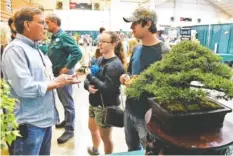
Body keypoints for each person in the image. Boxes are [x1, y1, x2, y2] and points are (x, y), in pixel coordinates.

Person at [1, 7, 79, 155]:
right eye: (42, 22)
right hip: (29, 125)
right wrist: (56, 83)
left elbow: (42, 80)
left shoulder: (35, 49)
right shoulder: (16, 50)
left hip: (44, 122)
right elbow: (24, 87)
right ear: (27, 25)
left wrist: (60, 79)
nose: (45, 27)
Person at [120, 6, 170, 151]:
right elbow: (130, 72)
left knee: (149, 151)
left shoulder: (164, 52)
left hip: (148, 116)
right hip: (129, 111)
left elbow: (167, 88)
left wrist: (144, 84)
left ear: (148, 23)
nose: (131, 27)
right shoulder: (137, 48)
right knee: (132, 149)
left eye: (135, 23)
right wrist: (125, 77)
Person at [84, 31, 125, 155]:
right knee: (92, 128)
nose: (99, 44)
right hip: (94, 103)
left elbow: (107, 89)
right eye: (99, 41)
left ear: (113, 44)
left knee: (106, 138)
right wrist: (88, 86)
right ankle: (95, 150)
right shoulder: (100, 59)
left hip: (105, 107)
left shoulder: (115, 65)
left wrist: (90, 77)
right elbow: (88, 79)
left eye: (103, 42)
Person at [45, 13, 82, 144]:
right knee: (64, 100)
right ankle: (67, 120)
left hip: (64, 73)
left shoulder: (63, 36)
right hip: (58, 73)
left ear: (55, 23)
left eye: (47, 22)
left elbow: (77, 52)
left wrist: (67, 67)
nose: (46, 25)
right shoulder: (54, 37)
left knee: (67, 102)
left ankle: (69, 129)